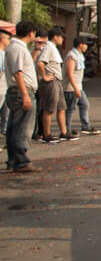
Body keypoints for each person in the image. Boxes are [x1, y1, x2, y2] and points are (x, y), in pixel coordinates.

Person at [5, 21, 39, 172]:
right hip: (21, 91)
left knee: (14, 127)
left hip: (18, 91)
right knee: (22, 128)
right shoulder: (17, 48)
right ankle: (20, 160)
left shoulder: (16, 47)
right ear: (30, 32)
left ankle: (14, 160)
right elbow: (18, 72)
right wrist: (25, 94)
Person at [36, 28, 76, 142]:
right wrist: (44, 76)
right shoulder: (48, 47)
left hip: (57, 81)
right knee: (49, 108)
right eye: (61, 37)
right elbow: (40, 64)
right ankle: (46, 134)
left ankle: (63, 132)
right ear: (55, 37)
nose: (62, 39)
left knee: (61, 107)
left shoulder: (53, 48)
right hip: (51, 81)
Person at [64, 36, 99, 135]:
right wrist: (75, 89)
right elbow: (70, 73)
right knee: (70, 109)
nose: (87, 46)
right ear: (80, 44)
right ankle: (67, 129)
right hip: (71, 88)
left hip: (78, 87)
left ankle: (85, 126)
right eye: (85, 44)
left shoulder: (80, 55)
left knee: (84, 104)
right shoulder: (72, 55)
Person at [0, 27, 10, 138]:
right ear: (2, 39)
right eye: (8, 38)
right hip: (1, 89)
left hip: (4, 89)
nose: (9, 41)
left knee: (5, 116)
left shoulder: (4, 53)